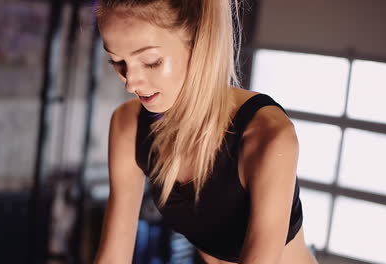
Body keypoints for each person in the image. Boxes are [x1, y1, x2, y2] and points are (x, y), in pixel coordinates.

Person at [93, 0, 320, 263]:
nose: (131, 82)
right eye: (117, 62)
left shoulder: (267, 136)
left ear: (198, 42)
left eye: (151, 62)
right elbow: (112, 257)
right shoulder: (128, 125)